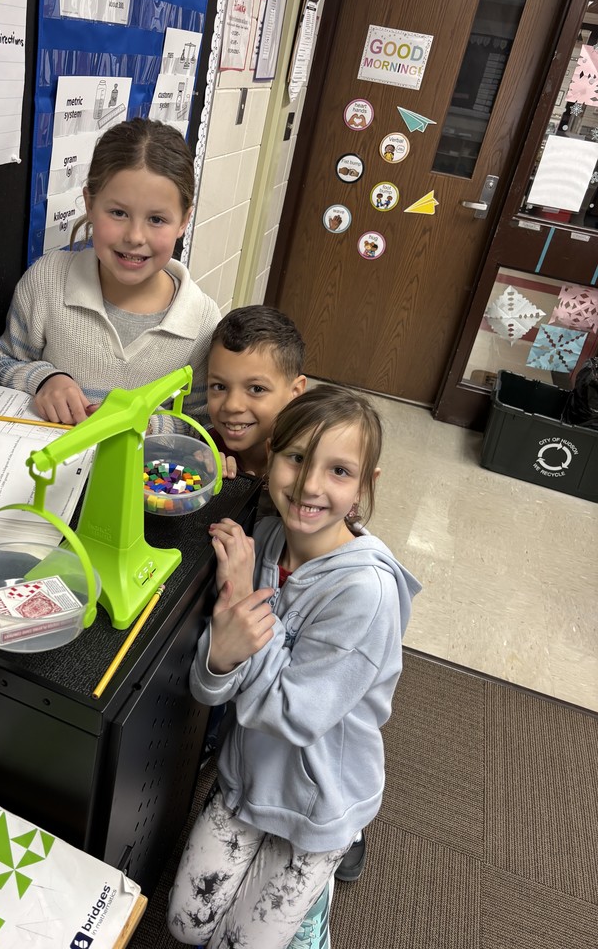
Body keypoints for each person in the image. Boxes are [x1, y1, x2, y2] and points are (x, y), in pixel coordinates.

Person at [167, 385, 420, 949]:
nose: (309, 485)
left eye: (339, 470)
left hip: (317, 803)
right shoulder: (264, 541)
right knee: (186, 926)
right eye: (297, 458)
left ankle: (316, 903)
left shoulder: (366, 593)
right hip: (246, 777)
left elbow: (292, 715)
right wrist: (222, 650)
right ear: (272, 455)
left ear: (364, 485)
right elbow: (211, 689)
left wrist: (241, 599)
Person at [0, 117, 220, 430]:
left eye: (156, 219)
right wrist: (44, 380)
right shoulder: (46, 281)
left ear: (183, 221)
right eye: (118, 213)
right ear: (89, 203)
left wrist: (148, 426)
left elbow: (202, 422)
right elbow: (3, 362)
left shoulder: (202, 323)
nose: (135, 236)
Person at [206, 305, 306, 480]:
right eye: (219, 386)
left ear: (295, 393)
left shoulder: (310, 461)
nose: (232, 405)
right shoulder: (205, 450)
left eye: (256, 389)